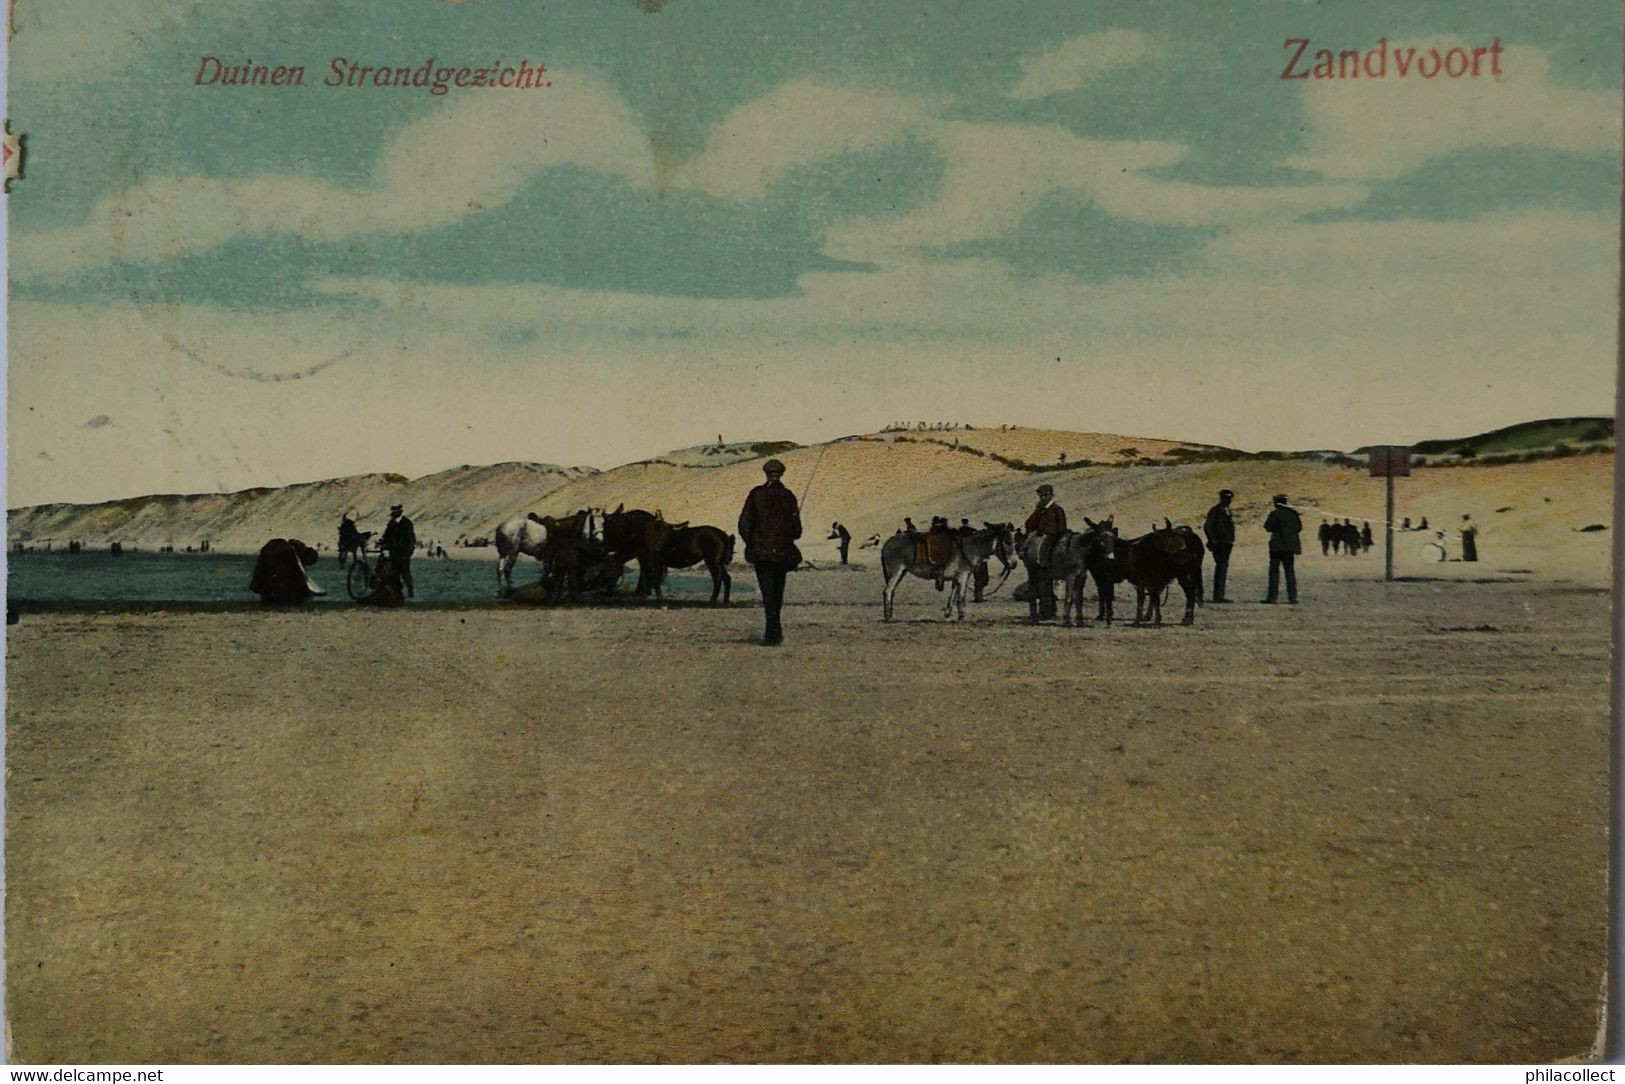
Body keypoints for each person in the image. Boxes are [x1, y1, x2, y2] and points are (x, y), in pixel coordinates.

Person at [738, 459, 802, 646]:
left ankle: (772, 634)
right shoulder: (788, 496)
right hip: (781, 554)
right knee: (777, 593)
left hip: (761, 553)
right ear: (781, 474)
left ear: (766, 474)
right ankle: (775, 632)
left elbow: (744, 524)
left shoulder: (756, 494)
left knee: (768, 593)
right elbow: (797, 531)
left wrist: (753, 542)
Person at [1262, 494, 1302, 604]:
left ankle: (1272, 597)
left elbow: (1267, 527)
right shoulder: (1293, 514)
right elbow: (1299, 528)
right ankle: (1292, 597)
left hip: (1277, 547)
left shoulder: (1275, 514)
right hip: (1289, 547)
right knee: (1289, 571)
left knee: (1274, 572)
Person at [1203, 489, 1236, 603]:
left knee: (1222, 567)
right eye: (1226, 498)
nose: (1228, 501)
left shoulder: (1227, 510)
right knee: (1221, 568)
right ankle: (1218, 596)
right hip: (1220, 543)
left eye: (1229, 498)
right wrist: (1213, 540)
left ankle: (1219, 595)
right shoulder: (1216, 510)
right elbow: (1208, 526)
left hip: (1226, 543)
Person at [380, 504, 417, 599]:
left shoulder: (407, 523)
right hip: (393, 553)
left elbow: (411, 539)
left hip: (404, 553)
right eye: (393, 513)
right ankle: (397, 593)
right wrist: (383, 543)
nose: (393, 514)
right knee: (394, 573)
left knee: (405, 572)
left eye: (394, 512)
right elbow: (386, 536)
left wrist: (409, 551)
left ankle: (410, 590)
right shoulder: (391, 523)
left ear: (399, 512)